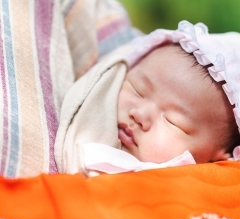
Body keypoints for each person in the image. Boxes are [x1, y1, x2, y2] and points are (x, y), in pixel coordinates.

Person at [54, 21, 240, 176]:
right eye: (138, 90)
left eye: (173, 122)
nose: (140, 114)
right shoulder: (93, 98)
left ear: (217, 159)